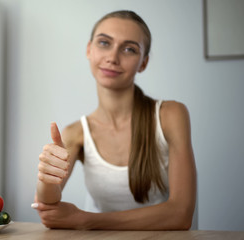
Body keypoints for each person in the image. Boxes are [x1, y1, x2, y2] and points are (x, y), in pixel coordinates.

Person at [32, 10, 197, 230]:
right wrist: (47, 177)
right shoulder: (76, 133)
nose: (112, 57)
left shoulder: (171, 115)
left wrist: (87, 220)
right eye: (104, 43)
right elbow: (47, 207)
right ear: (89, 50)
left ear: (143, 63)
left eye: (129, 49)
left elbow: (181, 214)